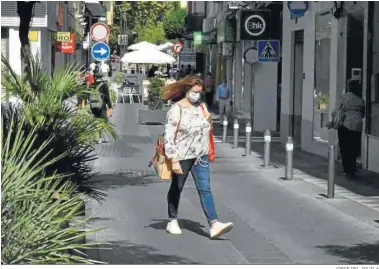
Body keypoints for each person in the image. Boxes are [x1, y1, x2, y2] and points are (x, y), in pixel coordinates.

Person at [161, 75, 234, 239]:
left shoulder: (201, 107)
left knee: (205, 189)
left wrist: (208, 120)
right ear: (187, 90)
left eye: (200, 92)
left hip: (201, 156)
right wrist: (173, 159)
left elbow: (207, 128)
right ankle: (172, 220)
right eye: (194, 92)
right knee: (177, 187)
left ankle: (214, 224)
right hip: (182, 156)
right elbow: (169, 135)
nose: (197, 95)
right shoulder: (176, 109)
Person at [332, 79, 365, 178]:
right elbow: (363, 114)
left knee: (345, 147)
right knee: (354, 147)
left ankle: (347, 170)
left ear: (348, 87)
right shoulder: (360, 99)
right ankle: (353, 169)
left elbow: (336, 111)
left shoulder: (343, 98)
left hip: (345, 124)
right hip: (358, 125)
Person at [89, 67, 113, 143]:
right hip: (102, 107)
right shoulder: (104, 85)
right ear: (101, 77)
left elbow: (88, 96)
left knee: (94, 121)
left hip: (93, 107)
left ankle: (94, 137)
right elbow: (107, 97)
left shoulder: (91, 85)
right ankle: (99, 137)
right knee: (102, 122)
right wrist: (110, 107)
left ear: (95, 77)